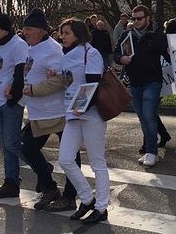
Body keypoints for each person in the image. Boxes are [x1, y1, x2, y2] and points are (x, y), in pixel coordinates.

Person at [20, 8, 80, 212]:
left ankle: (70, 197)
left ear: (41, 30)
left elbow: (62, 78)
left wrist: (35, 90)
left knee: (69, 156)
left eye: (28, 29)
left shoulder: (52, 49)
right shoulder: (32, 47)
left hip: (59, 111)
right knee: (25, 148)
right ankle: (50, 187)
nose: (25, 32)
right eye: (24, 29)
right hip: (39, 112)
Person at [56, 18, 109, 224]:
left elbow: (93, 85)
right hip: (73, 114)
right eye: (62, 33)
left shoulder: (91, 53)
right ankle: (87, 198)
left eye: (67, 33)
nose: (63, 37)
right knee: (65, 159)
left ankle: (101, 206)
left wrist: (80, 107)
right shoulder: (65, 54)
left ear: (78, 33)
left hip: (91, 114)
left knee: (97, 162)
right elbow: (68, 81)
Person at [114, 5, 170, 167]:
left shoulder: (158, 36)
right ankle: (149, 151)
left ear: (148, 18)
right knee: (142, 118)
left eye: (139, 18)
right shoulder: (126, 35)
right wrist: (121, 59)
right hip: (134, 82)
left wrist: (170, 51)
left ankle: (152, 151)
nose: (136, 21)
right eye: (134, 19)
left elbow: (170, 56)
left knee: (148, 115)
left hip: (152, 81)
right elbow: (117, 53)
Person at [0, 13, 29, 199]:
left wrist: (15, 95)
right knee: (6, 145)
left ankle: (41, 165)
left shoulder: (18, 45)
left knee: (12, 143)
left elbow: (21, 72)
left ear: (5, 30)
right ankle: (11, 182)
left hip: (11, 102)